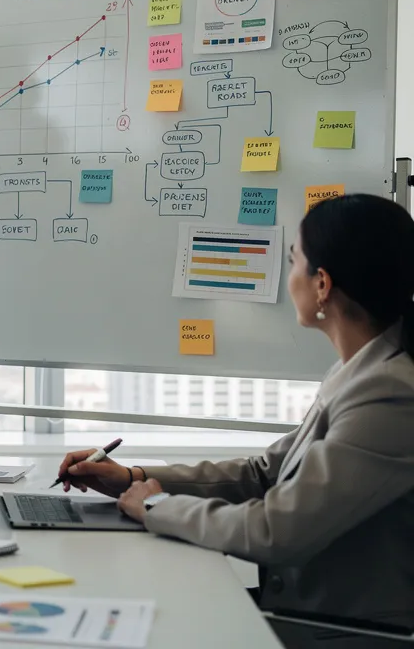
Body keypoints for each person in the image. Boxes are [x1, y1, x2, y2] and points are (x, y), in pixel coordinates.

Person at [58, 194, 414, 643]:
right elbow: (264, 474)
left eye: (293, 261)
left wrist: (154, 506)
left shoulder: (389, 393)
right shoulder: (357, 371)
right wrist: (133, 478)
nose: (288, 277)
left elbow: (276, 530)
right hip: (301, 615)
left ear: (321, 283)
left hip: (344, 633)